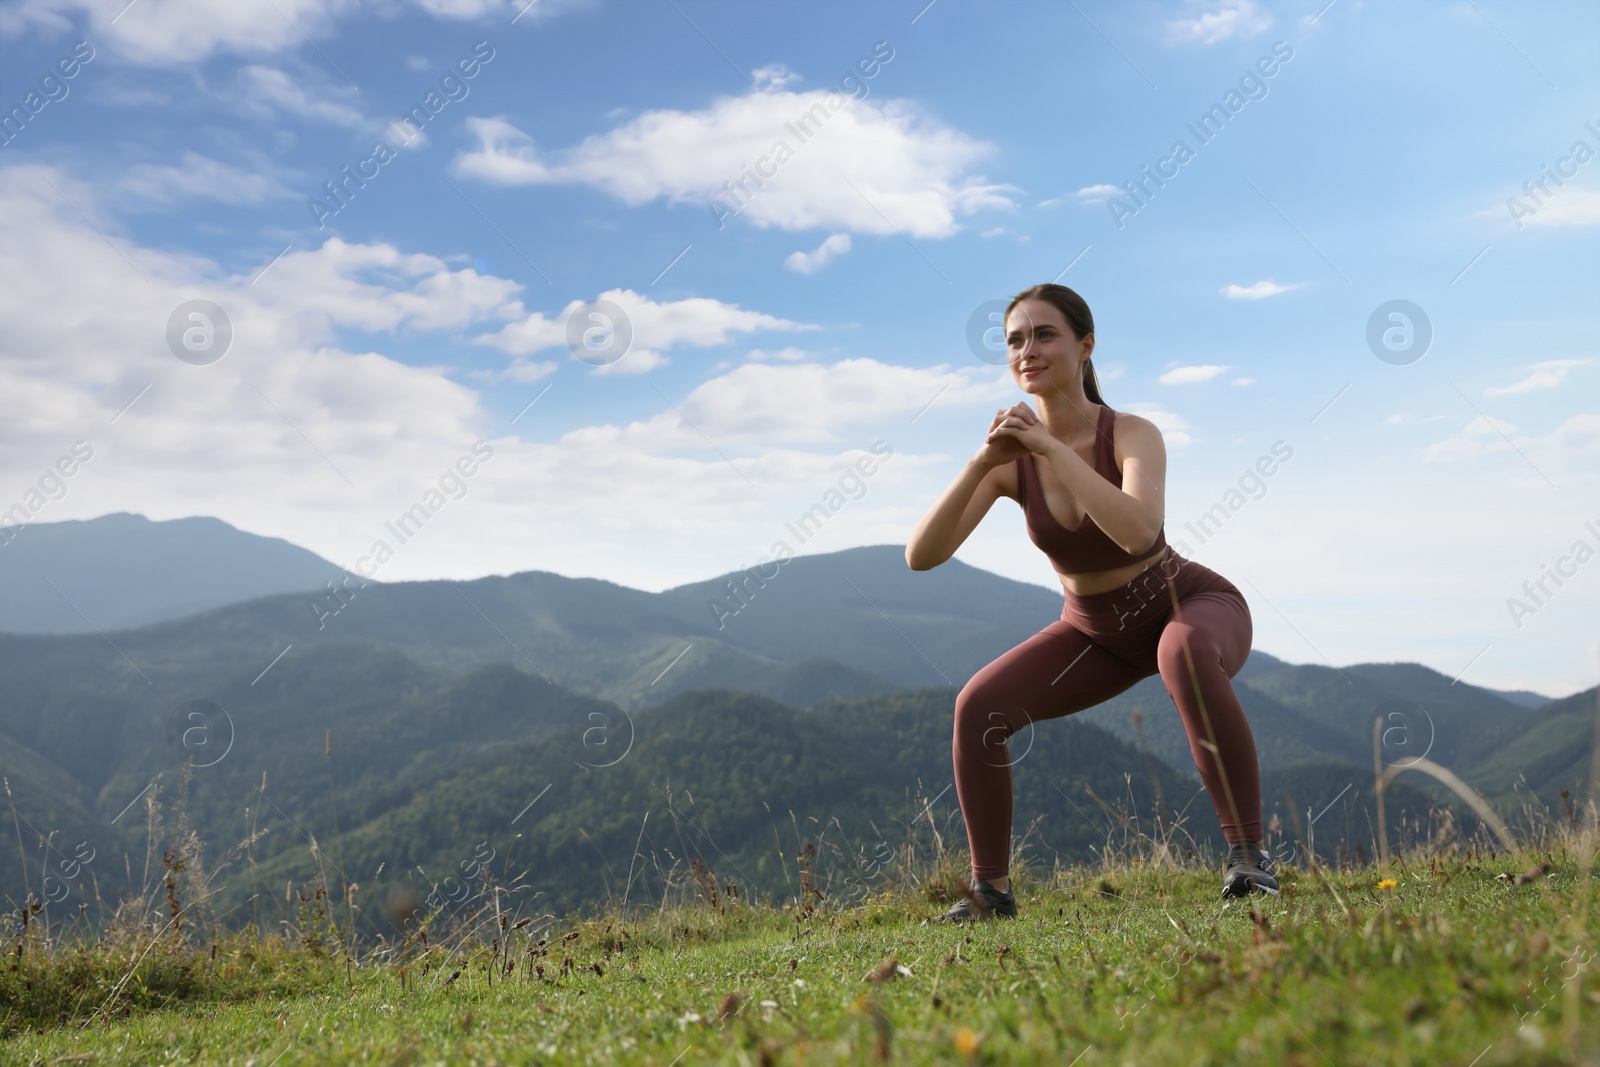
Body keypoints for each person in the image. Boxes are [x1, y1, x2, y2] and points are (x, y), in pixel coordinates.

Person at [905, 283, 1277, 922]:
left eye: (1045, 335)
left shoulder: (1133, 434)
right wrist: (977, 463)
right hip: (1093, 633)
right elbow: (922, 555)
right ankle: (990, 893)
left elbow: (1138, 532)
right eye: (1016, 340)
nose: (1029, 351)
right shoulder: (1007, 464)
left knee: (1182, 652)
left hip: (1185, 604)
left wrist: (1049, 445)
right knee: (979, 705)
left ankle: (1250, 858)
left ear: (1086, 345)